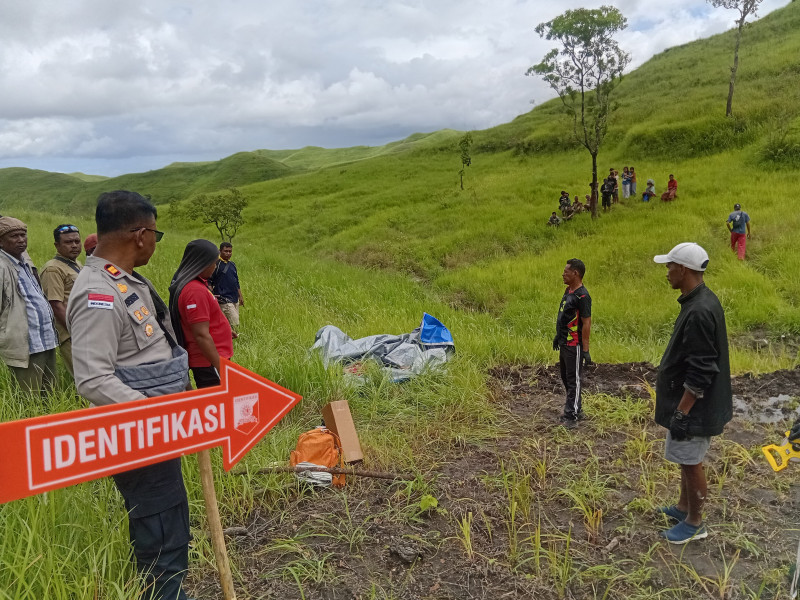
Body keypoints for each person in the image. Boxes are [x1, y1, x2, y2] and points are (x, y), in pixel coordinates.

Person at [67, 191, 192, 600]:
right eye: (156, 233)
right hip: (139, 432)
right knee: (158, 527)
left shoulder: (125, 280)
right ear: (140, 234)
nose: (155, 242)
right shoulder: (96, 292)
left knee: (171, 516)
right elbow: (92, 378)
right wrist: (154, 416)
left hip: (157, 428)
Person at [652, 242, 732, 544]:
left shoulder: (699, 310)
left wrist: (682, 411)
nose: (667, 273)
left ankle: (695, 522)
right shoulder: (698, 301)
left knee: (690, 459)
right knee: (685, 457)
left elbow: (702, 370)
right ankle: (683, 507)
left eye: (670, 267)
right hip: (689, 403)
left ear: (683, 269)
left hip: (694, 406)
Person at [0, 217, 59, 395]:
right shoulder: (2, 266)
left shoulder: (23, 262)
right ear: (1, 241)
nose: (20, 240)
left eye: (23, 235)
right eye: (14, 236)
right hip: (25, 344)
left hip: (44, 339)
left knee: (51, 394)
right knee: (29, 398)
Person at [169, 239, 233, 389]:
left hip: (210, 359)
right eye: (213, 262)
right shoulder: (194, 291)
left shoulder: (196, 285)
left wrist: (225, 331)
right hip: (209, 361)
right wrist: (220, 368)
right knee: (218, 405)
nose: (215, 266)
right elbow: (201, 335)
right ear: (202, 263)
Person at [552, 258, 592, 428]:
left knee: (573, 379)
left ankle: (572, 415)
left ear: (575, 273)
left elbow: (586, 323)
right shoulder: (568, 291)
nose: (563, 274)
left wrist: (585, 349)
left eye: (566, 271)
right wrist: (557, 336)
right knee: (565, 377)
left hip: (574, 344)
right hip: (564, 342)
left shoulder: (582, 296)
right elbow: (564, 316)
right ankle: (575, 408)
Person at [40, 224, 83, 375]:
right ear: (57, 245)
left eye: (77, 241)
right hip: (71, 334)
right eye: (68, 242)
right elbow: (55, 305)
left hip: (84, 329)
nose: (74, 246)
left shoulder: (76, 264)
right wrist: (76, 331)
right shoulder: (53, 269)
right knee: (84, 377)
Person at [210, 242, 244, 338]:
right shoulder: (216, 265)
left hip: (234, 298)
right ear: (220, 251)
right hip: (223, 299)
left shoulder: (232, 265)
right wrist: (212, 295)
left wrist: (240, 296)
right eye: (226, 251)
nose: (228, 253)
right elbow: (210, 281)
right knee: (235, 322)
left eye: (230, 251)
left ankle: (229, 339)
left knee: (231, 322)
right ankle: (235, 339)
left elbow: (236, 281)